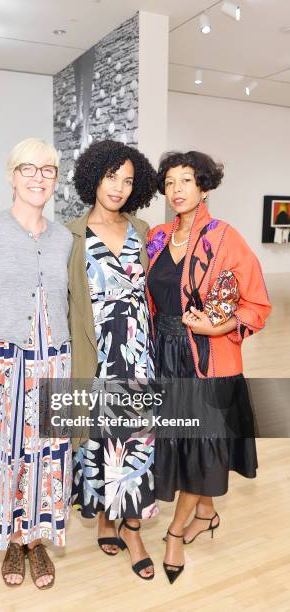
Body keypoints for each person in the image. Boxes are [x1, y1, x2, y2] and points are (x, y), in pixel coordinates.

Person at [146, 150, 272, 584]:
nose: (177, 190)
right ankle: (205, 511)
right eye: (170, 182)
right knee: (179, 441)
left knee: (200, 444)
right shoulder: (158, 238)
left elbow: (256, 302)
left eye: (186, 181)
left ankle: (176, 532)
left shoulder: (225, 238)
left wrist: (222, 328)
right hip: (163, 354)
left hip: (206, 357)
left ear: (204, 186)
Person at [0, 138, 73, 590]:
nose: (38, 177)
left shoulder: (63, 238)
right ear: (11, 175)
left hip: (51, 364)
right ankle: (9, 537)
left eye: (48, 170)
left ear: (56, 179)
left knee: (46, 456)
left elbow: (66, 303)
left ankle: (35, 541)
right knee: (2, 455)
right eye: (29, 168)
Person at [68, 140, 158, 580]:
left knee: (136, 441)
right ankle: (106, 516)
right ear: (93, 177)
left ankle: (134, 529)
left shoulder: (142, 230)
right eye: (111, 177)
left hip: (138, 355)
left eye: (128, 180)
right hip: (94, 354)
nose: (119, 188)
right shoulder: (70, 234)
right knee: (99, 440)